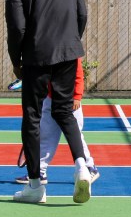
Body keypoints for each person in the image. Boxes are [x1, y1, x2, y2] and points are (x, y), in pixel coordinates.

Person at [5, 0, 92, 205]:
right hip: (68, 51)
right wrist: (70, 42)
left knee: (32, 117)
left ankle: (35, 185)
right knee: (64, 112)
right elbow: (81, 13)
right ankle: (82, 166)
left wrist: (16, 59)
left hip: (35, 56)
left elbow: (17, 27)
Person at [14, 58, 99, 186]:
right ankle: (39, 172)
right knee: (45, 135)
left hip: (68, 99)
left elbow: (78, 73)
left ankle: (89, 167)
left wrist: (76, 96)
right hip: (49, 98)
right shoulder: (49, 46)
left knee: (76, 136)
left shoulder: (69, 48)